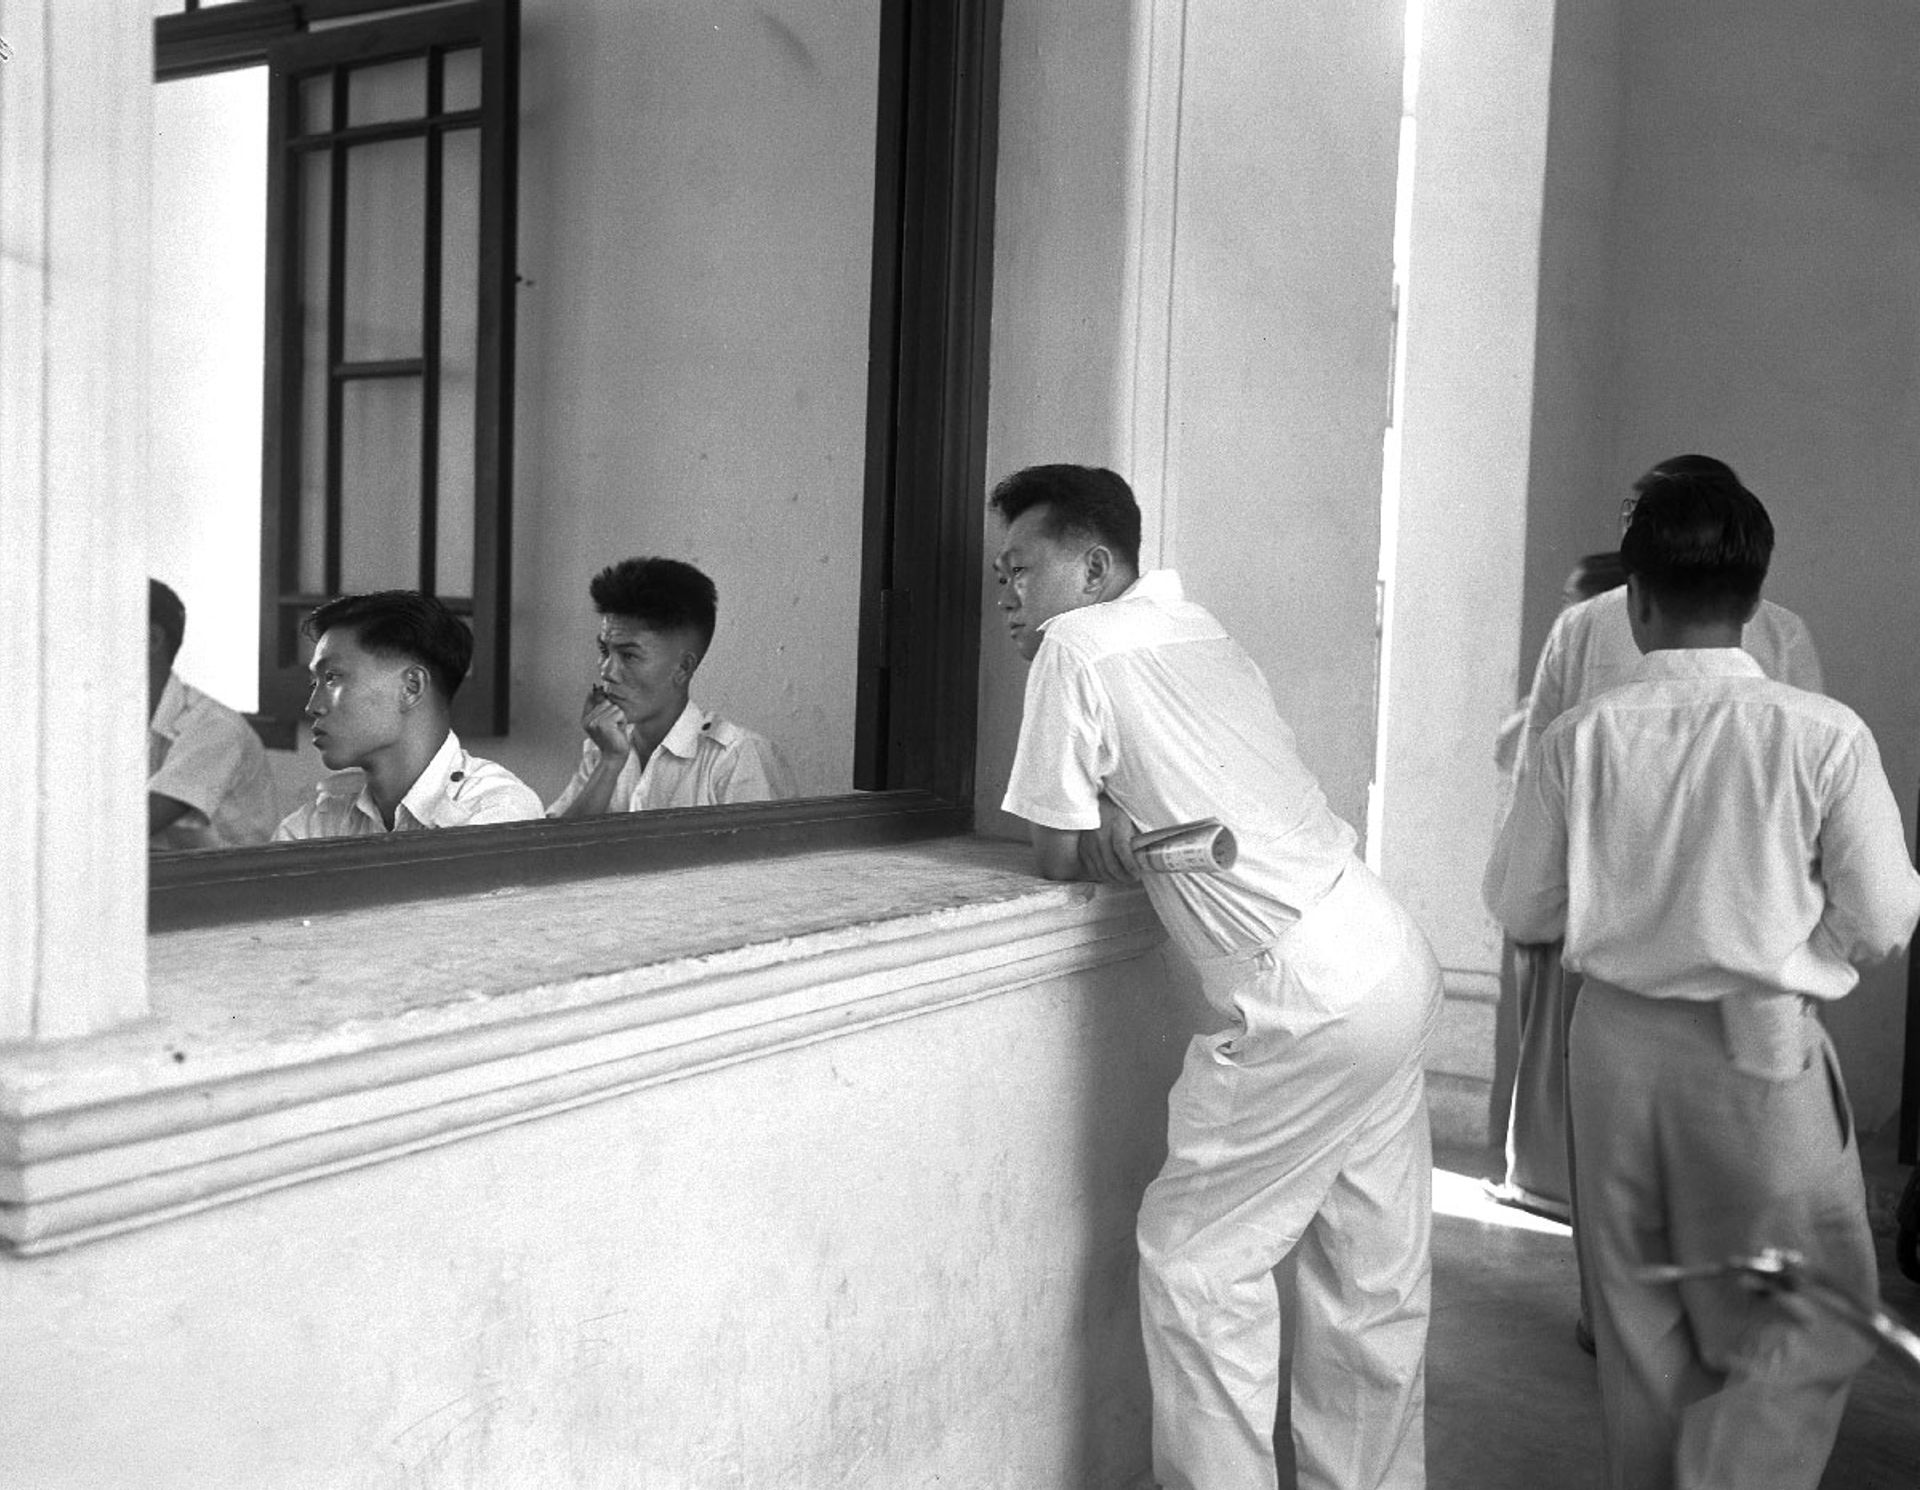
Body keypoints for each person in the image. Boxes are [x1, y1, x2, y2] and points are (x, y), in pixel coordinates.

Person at [992, 464, 1441, 1490]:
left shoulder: (1076, 643)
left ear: (1095, 564)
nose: (1007, 597)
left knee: (1198, 1263)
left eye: (1021, 569)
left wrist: (1103, 824)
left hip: (1307, 995)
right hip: (1381, 942)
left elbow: (1055, 847)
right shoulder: (1199, 629)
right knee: (1369, 1280)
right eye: (996, 578)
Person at [1484, 466, 1918, 1490]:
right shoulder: (1822, 733)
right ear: (1758, 601)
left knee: (1640, 1319)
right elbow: (1889, 914)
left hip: (1616, 1050)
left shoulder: (1578, 737)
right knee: (1806, 1308)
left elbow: (1520, 906)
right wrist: (1808, 945)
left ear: (1631, 602)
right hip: (1757, 1047)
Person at [1490, 458, 1824, 1315]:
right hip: (1715, 961)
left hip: (1652, 960)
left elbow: (1537, 790)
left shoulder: (1764, 634)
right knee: (1699, 1199)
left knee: (1649, 1198)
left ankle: (1638, 1335)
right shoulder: (1595, 629)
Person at [274, 591, 541, 839]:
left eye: (332, 678)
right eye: (314, 683)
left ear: (411, 687)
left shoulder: (497, 812)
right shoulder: (316, 824)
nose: (312, 706)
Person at [546, 556, 794, 817]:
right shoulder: (602, 748)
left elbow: (764, 857)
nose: (607, 671)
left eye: (629, 655)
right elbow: (551, 854)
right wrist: (610, 762)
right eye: (604, 650)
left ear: (683, 668)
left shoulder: (734, 758)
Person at [147, 578, 277, 850]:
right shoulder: (109, 723)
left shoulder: (216, 727)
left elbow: (129, 826)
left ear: (152, 638)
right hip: (163, 885)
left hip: (235, 887)